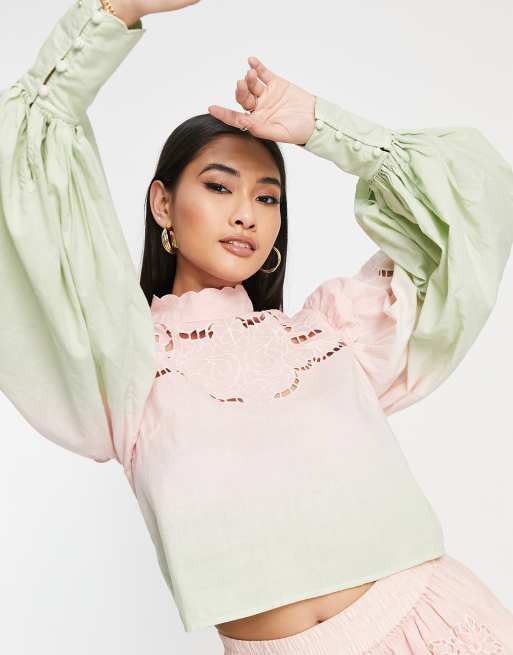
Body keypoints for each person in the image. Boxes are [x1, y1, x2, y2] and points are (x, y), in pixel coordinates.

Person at [1, 0, 512, 652]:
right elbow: (19, 164)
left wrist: (325, 127)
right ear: (163, 203)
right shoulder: (127, 367)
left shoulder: (332, 337)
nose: (246, 213)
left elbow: (474, 210)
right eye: (219, 187)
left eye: (267, 197)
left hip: (442, 626)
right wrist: (113, 13)